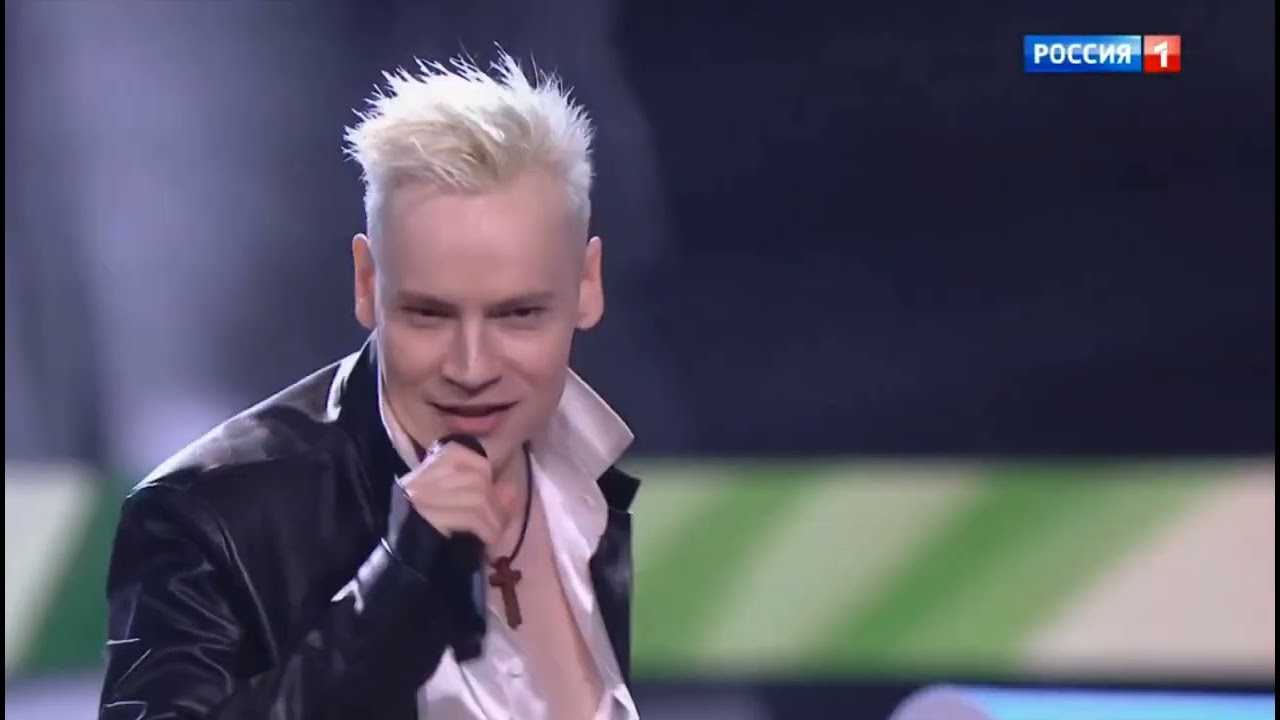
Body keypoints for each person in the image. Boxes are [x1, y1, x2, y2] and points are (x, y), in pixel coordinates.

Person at [98, 53, 642, 720]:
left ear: (587, 286)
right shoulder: (203, 518)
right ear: (366, 282)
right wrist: (395, 588)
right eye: (429, 314)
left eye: (518, 314)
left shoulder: (588, 485)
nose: (472, 368)